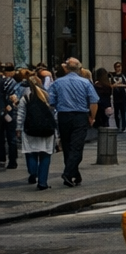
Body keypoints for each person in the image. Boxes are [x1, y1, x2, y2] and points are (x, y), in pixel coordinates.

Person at [50, 59, 98, 187]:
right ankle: (68, 173)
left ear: (66, 69)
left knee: (66, 145)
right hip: (80, 116)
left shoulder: (57, 82)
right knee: (76, 147)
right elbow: (94, 101)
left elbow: (51, 101)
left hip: (63, 116)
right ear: (79, 69)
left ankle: (74, 174)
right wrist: (92, 117)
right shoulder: (85, 82)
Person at [16, 73, 56, 189]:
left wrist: (18, 128)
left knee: (31, 152)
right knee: (45, 155)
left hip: (30, 130)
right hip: (47, 131)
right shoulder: (47, 97)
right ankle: (42, 182)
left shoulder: (26, 98)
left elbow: (21, 114)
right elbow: (53, 114)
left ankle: (33, 173)